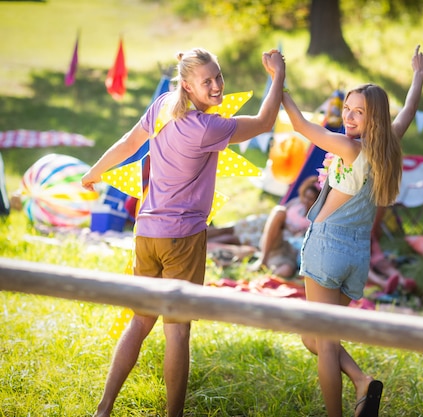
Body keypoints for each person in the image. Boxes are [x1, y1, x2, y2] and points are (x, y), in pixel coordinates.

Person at [81, 47, 286, 417]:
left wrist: (93, 173)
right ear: (188, 86)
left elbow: (129, 144)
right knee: (177, 332)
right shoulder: (208, 128)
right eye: (207, 81)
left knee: (141, 320)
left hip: (146, 234)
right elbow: (266, 121)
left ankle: (104, 408)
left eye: (219, 76)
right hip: (183, 239)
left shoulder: (162, 106)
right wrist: (278, 76)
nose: (217, 86)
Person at [279, 45, 423, 417]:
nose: (348, 116)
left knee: (325, 343)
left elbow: (300, 126)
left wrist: (278, 82)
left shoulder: (349, 148)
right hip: (356, 256)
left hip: (327, 248)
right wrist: (418, 75)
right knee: (313, 336)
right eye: (347, 108)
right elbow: (408, 110)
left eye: (358, 111)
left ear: (373, 118)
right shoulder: (388, 147)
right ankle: (361, 380)